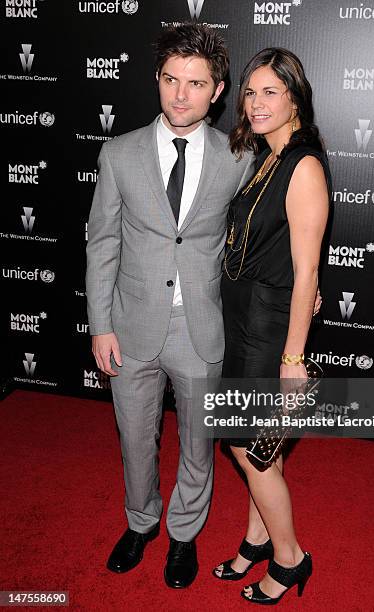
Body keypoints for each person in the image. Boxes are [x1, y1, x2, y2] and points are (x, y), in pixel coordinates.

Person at [85, 23, 255, 588]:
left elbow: (263, 232)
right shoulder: (119, 153)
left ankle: (184, 533)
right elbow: (103, 241)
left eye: (196, 83)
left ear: (218, 89)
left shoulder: (240, 157)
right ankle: (141, 522)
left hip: (201, 327)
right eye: (170, 80)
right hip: (131, 326)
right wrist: (100, 324)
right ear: (157, 80)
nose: (180, 95)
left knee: (199, 444)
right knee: (135, 438)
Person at [212, 48, 331, 605]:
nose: (256, 104)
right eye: (250, 92)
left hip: (268, 329)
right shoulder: (269, 155)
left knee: (244, 443)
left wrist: (292, 361)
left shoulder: (302, 164)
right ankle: (258, 539)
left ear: (294, 98)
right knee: (258, 448)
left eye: (270, 92)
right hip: (243, 320)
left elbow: (308, 270)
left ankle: (290, 558)